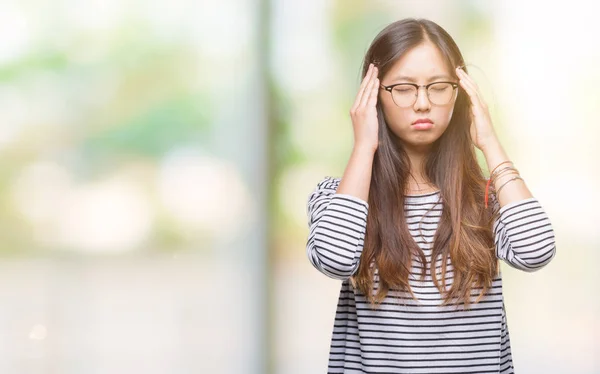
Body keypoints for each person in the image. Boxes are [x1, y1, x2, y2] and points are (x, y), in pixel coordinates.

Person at [305, 18, 556, 374]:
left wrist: (489, 141)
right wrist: (364, 145)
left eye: (438, 87)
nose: (422, 103)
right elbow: (334, 260)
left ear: (460, 93)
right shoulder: (336, 196)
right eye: (404, 88)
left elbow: (536, 251)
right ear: (374, 95)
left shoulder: (488, 198)